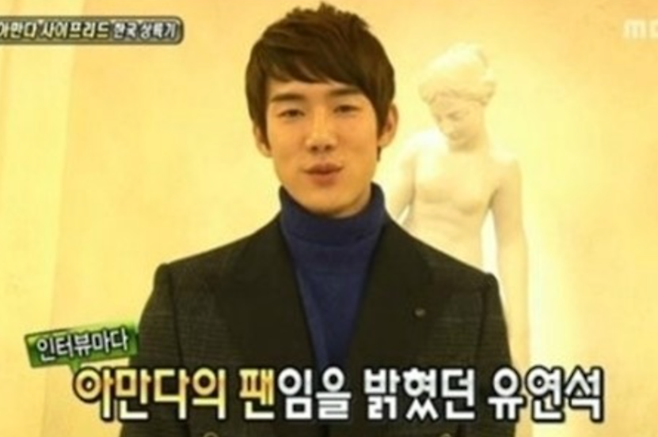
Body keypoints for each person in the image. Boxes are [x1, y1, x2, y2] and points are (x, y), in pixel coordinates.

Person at [121, 6, 514, 437]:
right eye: (292, 112)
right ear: (261, 134)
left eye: (344, 107)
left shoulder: (469, 303)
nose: (320, 137)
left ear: (386, 125)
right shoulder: (184, 300)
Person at [385, 40, 530, 399]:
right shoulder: (419, 150)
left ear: (480, 101)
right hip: (409, 284)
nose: (447, 127)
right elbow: (380, 217)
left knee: (459, 396)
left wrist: (519, 326)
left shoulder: (502, 166)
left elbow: (511, 243)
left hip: (462, 293)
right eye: (438, 118)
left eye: (456, 116)